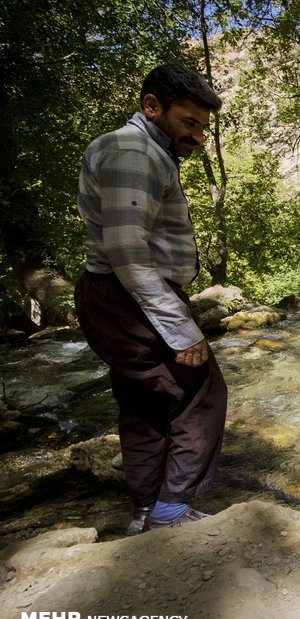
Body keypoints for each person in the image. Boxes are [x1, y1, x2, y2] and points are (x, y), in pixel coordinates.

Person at [74, 63, 227, 535]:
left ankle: (145, 509)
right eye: (189, 122)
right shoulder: (133, 150)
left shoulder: (140, 150)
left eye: (203, 126)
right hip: (128, 295)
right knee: (200, 393)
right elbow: (127, 251)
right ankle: (171, 509)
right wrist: (181, 329)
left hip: (117, 295)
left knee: (143, 402)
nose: (198, 136)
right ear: (152, 107)